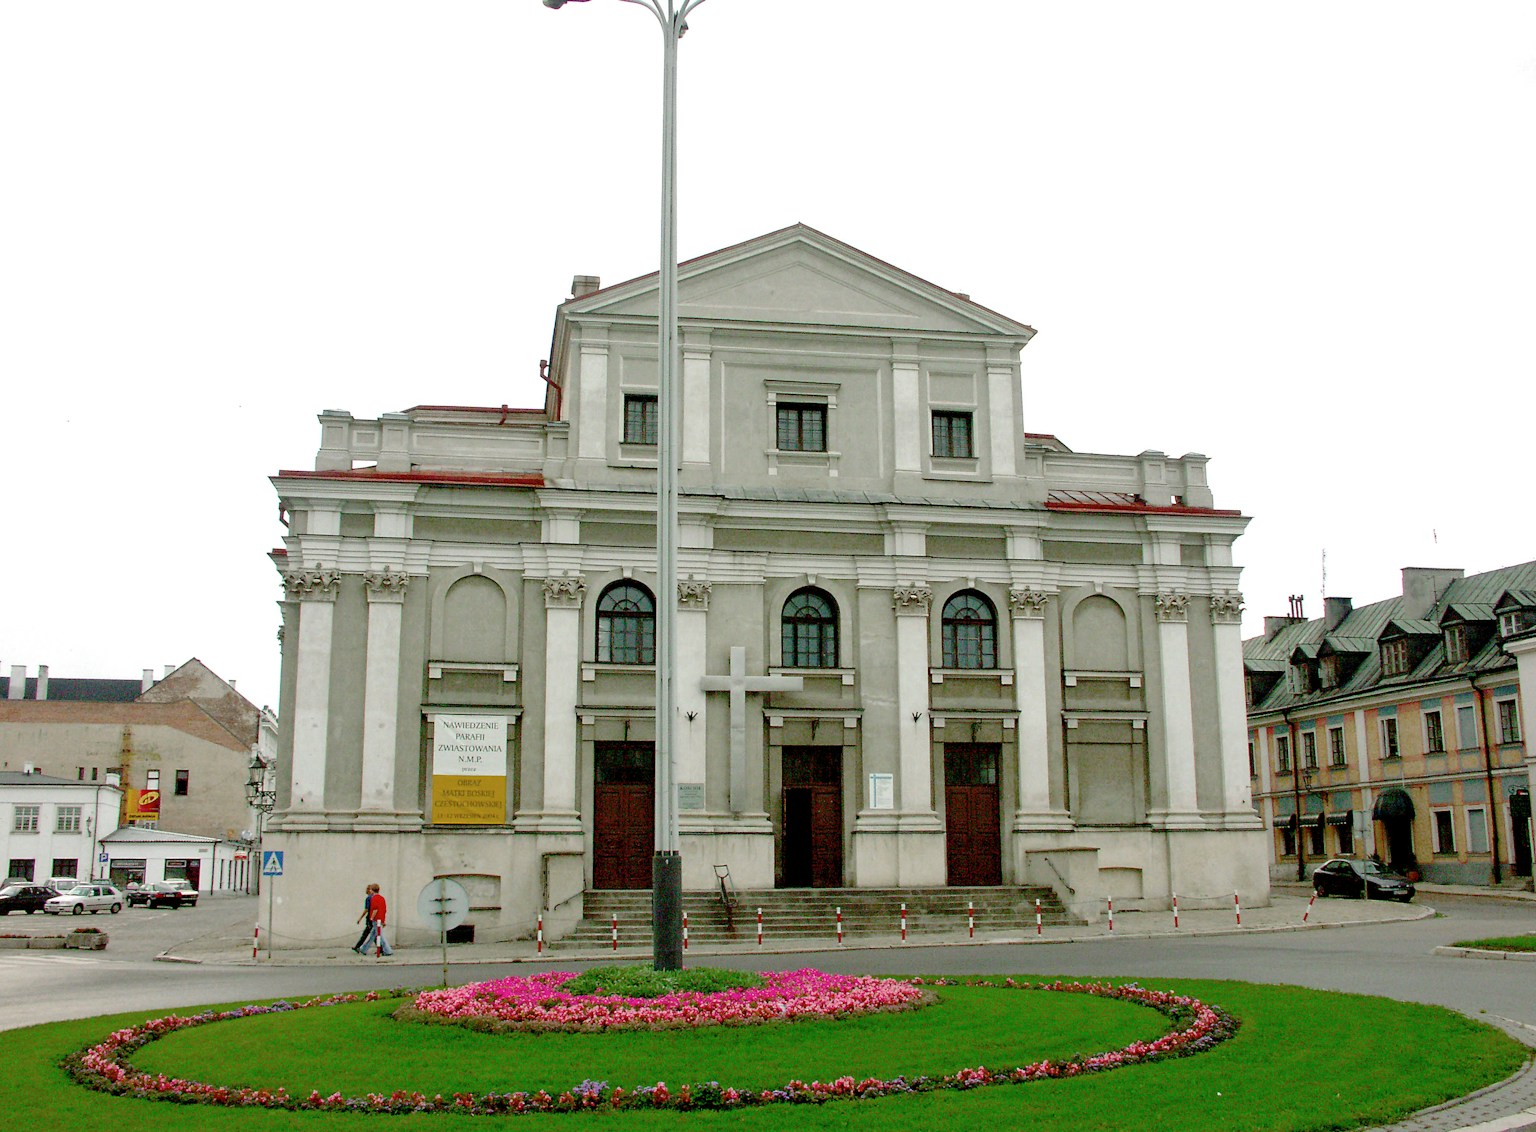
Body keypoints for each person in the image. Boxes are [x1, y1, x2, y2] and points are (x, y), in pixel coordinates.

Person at [366, 883, 392, 958]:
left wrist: (371, 917)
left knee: (380, 935)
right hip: (380, 919)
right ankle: (364, 948)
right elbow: (384, 910)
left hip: (376, 920)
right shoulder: (382, 898)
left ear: (372, 890)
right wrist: (383, 920)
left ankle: (388, 950)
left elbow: (375, 909)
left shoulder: (374, 898)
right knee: (372, 935)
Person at [351, 884, 377, 954]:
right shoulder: (375, 897)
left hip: (369, 918)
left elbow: (366, 909)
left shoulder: (368, 898)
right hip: (374, 918)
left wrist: (360, 918)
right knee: (373, 933)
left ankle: (358, 947)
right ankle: (380, 948)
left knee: (366, 933)